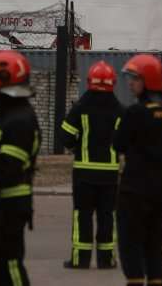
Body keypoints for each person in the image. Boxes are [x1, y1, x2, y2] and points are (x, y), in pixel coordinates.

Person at [0, 50, 41, 286]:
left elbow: (6, 170)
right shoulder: (9, 116)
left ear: (4, 82)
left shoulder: (19, 120)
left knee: (8, 264)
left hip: (9, 206)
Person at [114, 54, 162, 286]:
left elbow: (118, 144)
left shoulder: (135, 113)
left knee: (130, 243)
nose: (130, 83)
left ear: (148, 80)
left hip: (134, 191)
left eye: (135, 78)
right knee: (153, 244)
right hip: (159, 192)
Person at [60, 60, 122, 270]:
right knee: (107, 216)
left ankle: (80, 259)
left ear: (89, 82)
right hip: (110, 175)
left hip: (84, 173)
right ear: (112, 82)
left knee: (82, 216)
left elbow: (65, 135)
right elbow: (127, 141)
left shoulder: (81, 107)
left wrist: (78, 147)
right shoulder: (119, 110)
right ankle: (107, 260)